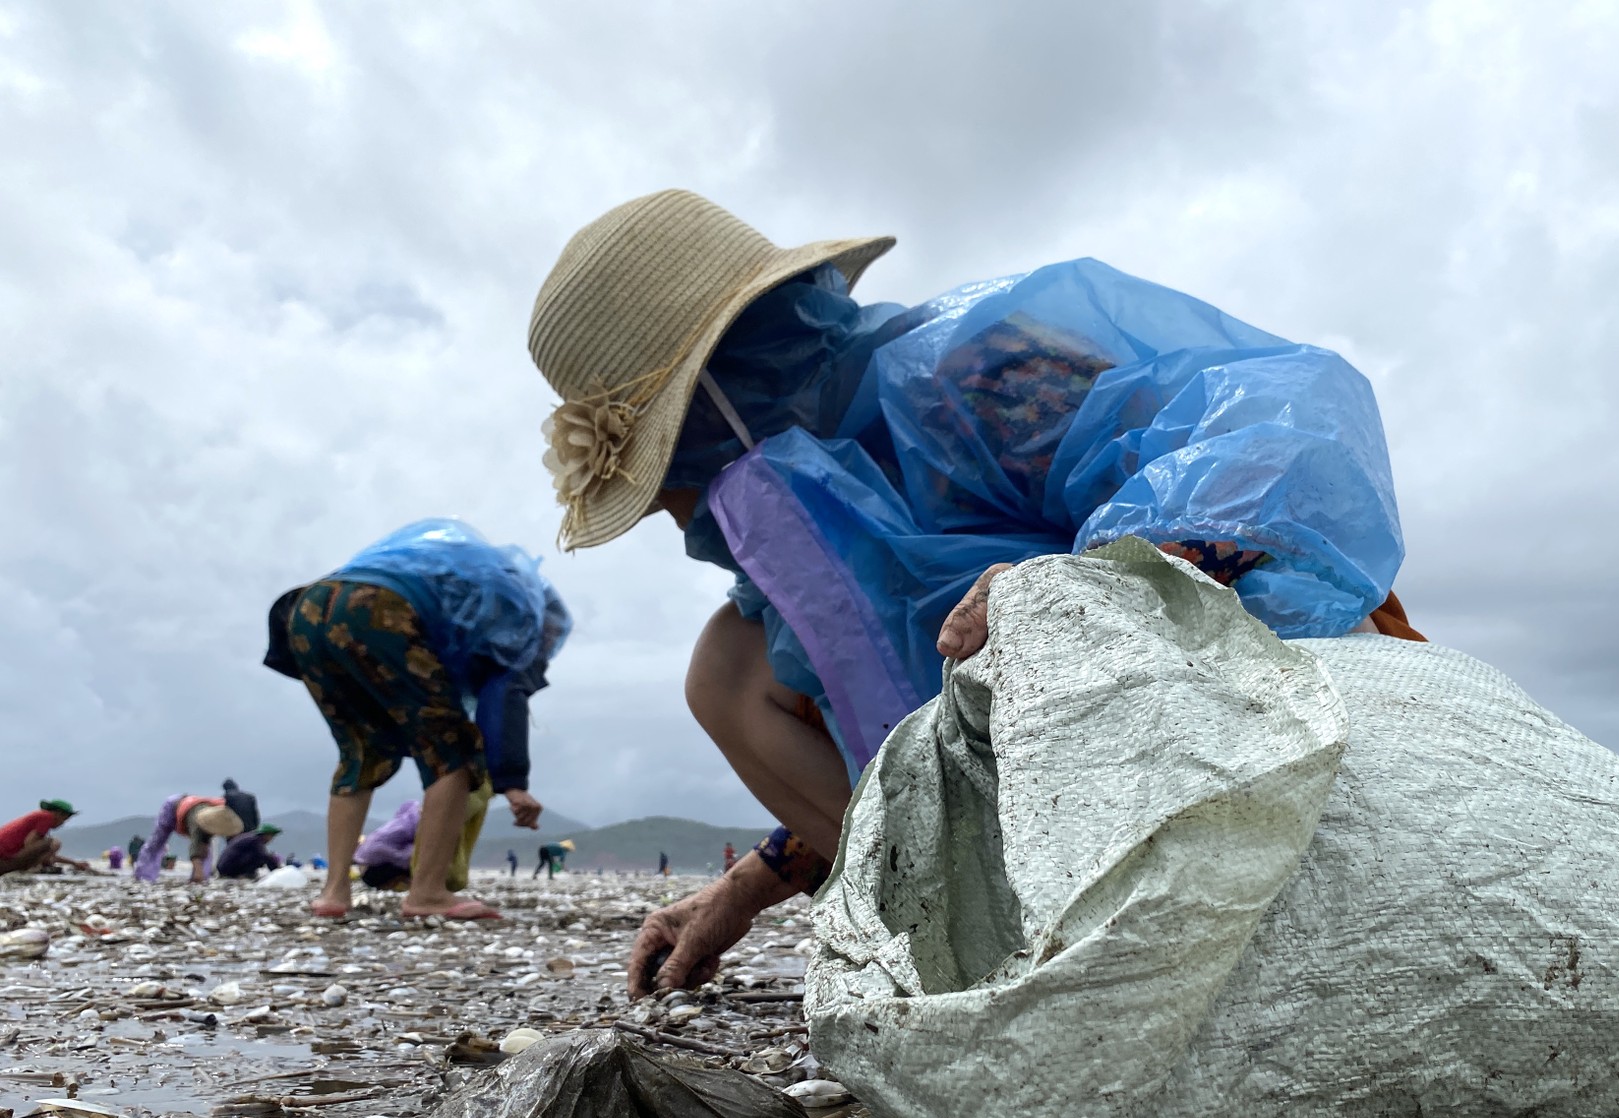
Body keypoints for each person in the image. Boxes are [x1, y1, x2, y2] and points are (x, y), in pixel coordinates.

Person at [526, 191, 1423, 995]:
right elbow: (887, 715)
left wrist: (1090, 583)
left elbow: (1275, 452)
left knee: (762, 653)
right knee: (728, 664)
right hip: (1072, 797)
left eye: (662, 476)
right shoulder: (829, 532)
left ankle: (1177, 937)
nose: (675, 515)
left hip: (1269, 723)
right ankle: (985, 956)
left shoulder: (968, 381)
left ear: (714, 405)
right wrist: (747, 884)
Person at [264, 518, 571, 921]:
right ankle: (426, 892)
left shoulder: (470, 585)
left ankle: (334, 893)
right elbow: (505, 693)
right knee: (455, 752)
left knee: (361, 750)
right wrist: (513, 784)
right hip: (379, 607)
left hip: (308, 607)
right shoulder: (521, 621)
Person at [136, 795, 243, 883]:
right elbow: (195, 845)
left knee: (206, 850)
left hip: (193, 809)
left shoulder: (219, 816)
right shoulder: (198, 821)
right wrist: (197, 868)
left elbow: (205, 844)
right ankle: (145, 876)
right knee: (156, 843)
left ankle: (202, 879)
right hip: (173, 809)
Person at [0, 800, 79, 875]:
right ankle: (32, 869)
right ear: (58, 814)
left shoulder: (38, 818)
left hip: (5, 857)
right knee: (54, 843)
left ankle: (33, 867)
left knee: (48, 847)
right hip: (5, 857)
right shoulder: (47, 817)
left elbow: (45, 856)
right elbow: (29, 843)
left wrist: (74, 863)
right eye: (64, 819)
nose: (63, 823)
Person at [216, 823, 285, 880]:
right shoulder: (255, 841)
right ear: (266, 835)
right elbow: (264, 857)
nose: (271, 839)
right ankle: (245, 876)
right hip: (228, 868)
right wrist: (277, 872)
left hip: (224, 867)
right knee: (259, 858)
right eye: (271, 836)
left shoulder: (250, 838)